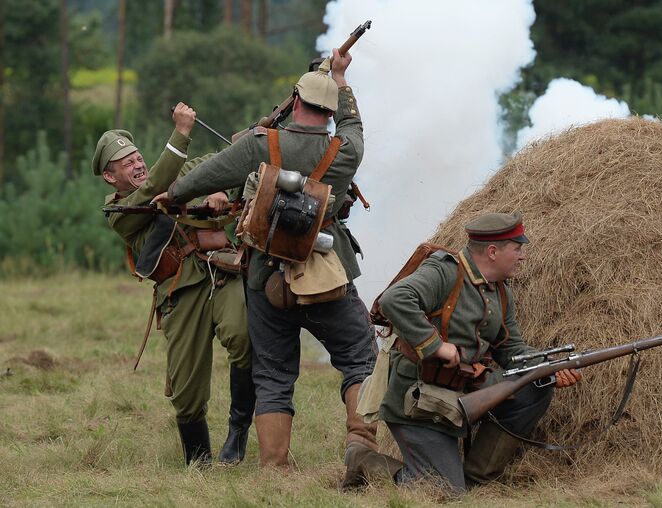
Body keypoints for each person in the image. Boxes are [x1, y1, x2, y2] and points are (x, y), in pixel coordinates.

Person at [151, 49, 379, 478]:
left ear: (295, 102)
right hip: (327, 274)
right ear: (329, 113)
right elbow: (354, 125)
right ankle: (360, 445)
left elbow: (210, 174)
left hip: (264, 277)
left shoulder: (260, 144)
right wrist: (343, 81)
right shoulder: (345, 151)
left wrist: (174, 194)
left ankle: (274, 469)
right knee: (360, 356)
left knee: (273, 374)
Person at [92, 103, 256, 467]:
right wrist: (180, 132)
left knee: (243, 336)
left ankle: (238, 431)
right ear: (110, 177)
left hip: (221, 271)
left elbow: (227, 162)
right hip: (179, 294)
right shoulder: (121, 211)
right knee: (186, 393)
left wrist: (252, 140)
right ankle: (198, 464)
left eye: (137, 157)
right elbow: (155, 189)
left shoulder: (181, 173)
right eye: (126, 163)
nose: (137, 164)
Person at [372, 211, 582, 493]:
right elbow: (394, 299)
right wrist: (434, 346)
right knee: (443, 492)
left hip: (464, 389)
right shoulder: (445, 271)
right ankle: (365, 462)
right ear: (493, 251)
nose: (523, 256)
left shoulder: (501, 292)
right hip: (420, 397)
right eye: (517, 248)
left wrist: (549, 366)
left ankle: (477, 477)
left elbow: (511, 349)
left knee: (535, 387)